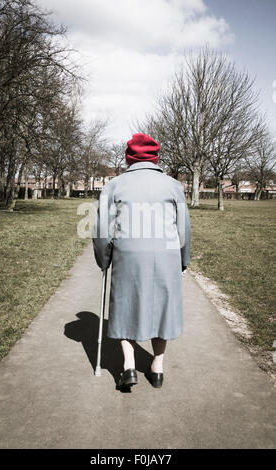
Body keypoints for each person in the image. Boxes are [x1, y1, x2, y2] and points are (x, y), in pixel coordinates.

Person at [92, 133, 191, 389]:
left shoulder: (114, 185)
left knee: (125, 306)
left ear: (129, 157)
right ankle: (157, 368)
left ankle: (129, 366)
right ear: (156, 157)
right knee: (163, 308)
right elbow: (184, 229)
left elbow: (103, 230)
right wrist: (183, 260)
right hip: (167, 254)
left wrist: (103, 259)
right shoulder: (173, 185)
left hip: (129, 254)